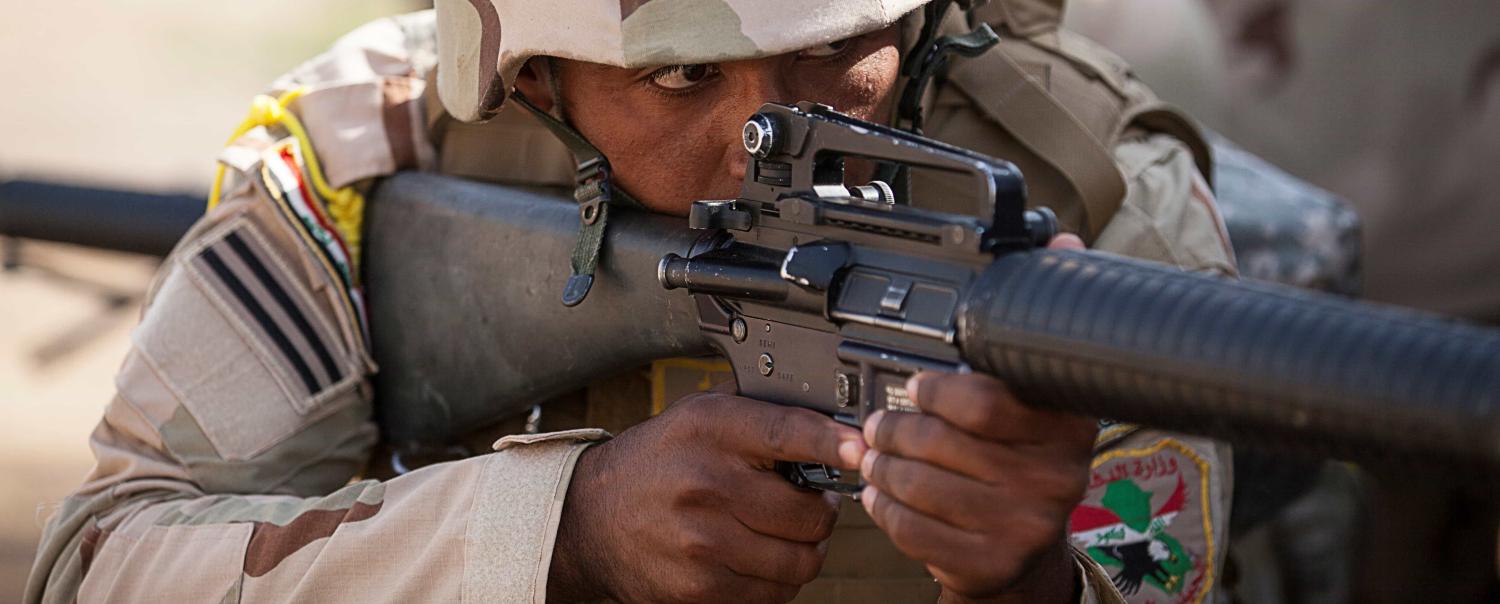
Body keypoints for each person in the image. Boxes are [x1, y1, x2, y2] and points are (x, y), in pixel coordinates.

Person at [27, 1, 1237, 602]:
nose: (770, 134)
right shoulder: (357, 165)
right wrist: (559, 533)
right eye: (678, 77)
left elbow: (1159, 564)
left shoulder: (1094, 187)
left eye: (835, 51)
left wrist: (1027, 578)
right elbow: (99, 564)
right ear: (534, 73)